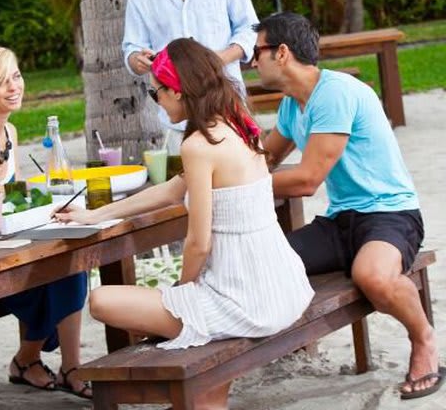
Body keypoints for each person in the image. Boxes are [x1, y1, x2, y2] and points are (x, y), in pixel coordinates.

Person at [56, 37, 314, 409]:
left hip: (243, 299)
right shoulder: (237, 123)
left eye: (156, 92)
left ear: (178, 91)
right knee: (192, 373)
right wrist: (93, 215)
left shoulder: (198, 145)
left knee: (100, 300)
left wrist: (183, 292)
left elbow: (199, 243)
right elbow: (170, 192)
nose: (157, 100)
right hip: (282, 285)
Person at [252, 11, 443, 400]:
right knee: (262, 263)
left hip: (390, 214)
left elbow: (306, 180)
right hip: (341, 220)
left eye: (258, 52)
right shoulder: (293, 105)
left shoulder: (335, 92)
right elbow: (263, 159)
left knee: (372, 276)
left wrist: (237, 185)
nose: (253, 62)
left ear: (282, 53)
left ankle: (424, 340)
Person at [0, 44, 92, 399]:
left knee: (72, 262)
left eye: (16, 76)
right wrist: (6, 193)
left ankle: (69, 366)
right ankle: (26, 360)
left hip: (10, 239)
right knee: (51, 273)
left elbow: (10, 197)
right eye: (2, 81)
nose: (15, 86)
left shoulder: (9, 133)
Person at [123, 0, 259, 152]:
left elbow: (250, 29)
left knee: (239, 180)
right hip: (178, 123)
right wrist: (136, 60)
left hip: (228, 110)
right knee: (185, 185)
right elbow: (131, 49)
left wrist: (216, 60)